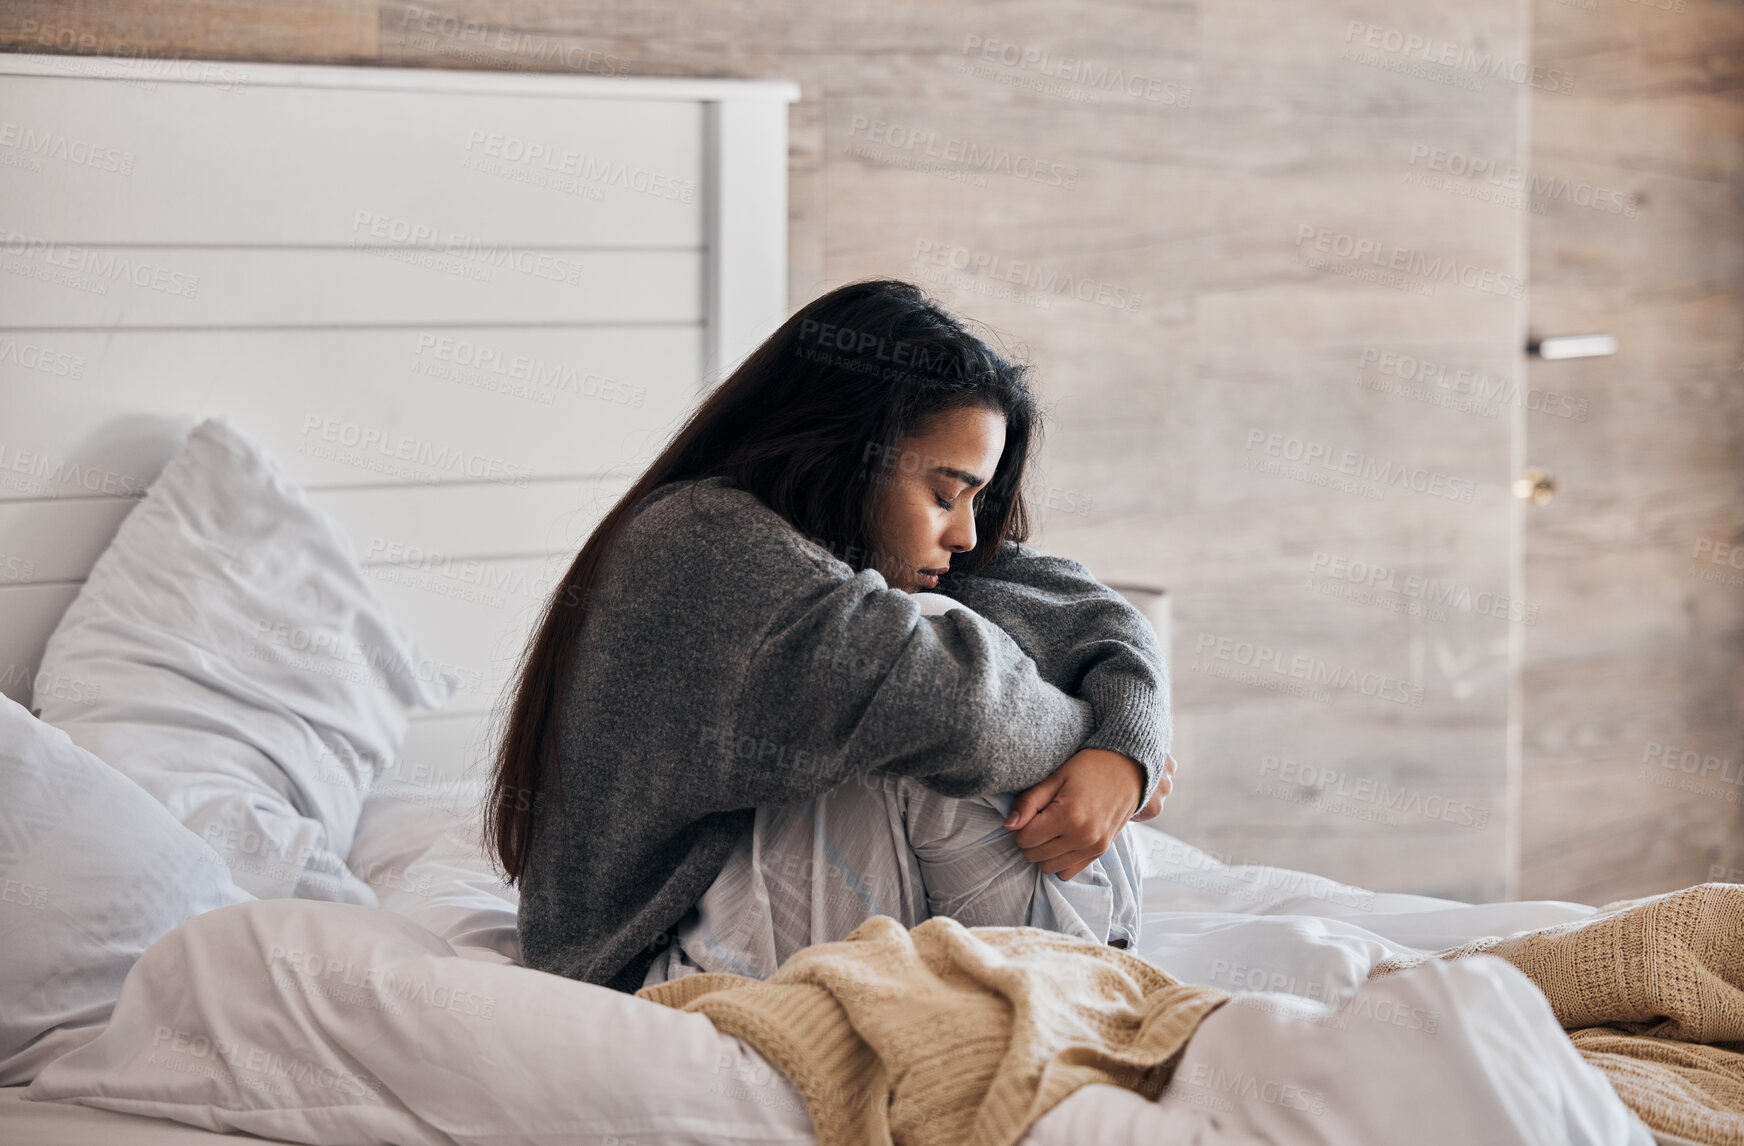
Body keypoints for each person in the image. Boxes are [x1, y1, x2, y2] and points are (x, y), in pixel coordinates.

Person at [487, 278, 1177, 993]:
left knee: (947, 645)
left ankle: (1070, 980)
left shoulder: (853, 550)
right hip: (646, 972)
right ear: (848, 452)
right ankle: (1075, 987)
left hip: (732, 925)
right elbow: (962, 710)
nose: (967, 533)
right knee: (937, 660)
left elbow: (1090, 610)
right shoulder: (702, 541)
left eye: (978, 498)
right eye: (944, 495)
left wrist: (1126, 749)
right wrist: (1099, 747)